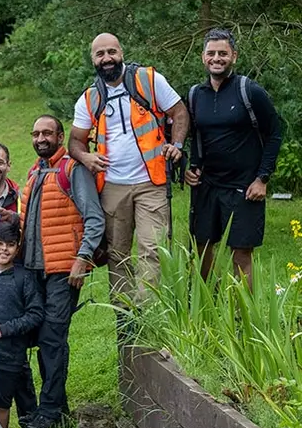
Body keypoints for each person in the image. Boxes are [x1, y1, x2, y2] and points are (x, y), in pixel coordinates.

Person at [68, 32, 188, 302]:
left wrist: (177, 146)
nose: (107, 58)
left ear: (121, 52)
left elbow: (179, 112)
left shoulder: (148, 80)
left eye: (112, 52)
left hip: (152, 183)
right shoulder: (89, 98)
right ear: (93, 59)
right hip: (112, 186)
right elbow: (75, 141)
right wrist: (85, 158)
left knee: (152, 250)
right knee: (117, 254)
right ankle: (128, 323)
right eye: (100, 54)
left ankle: (149, 314)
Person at [20, 115, 105, 428]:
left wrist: (82, 258)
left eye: (47, 133)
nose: (41, 138)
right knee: (43, 341)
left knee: (52, 339)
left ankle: (50, 411)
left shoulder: (73, 169)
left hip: (63, 272)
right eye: (36, 133)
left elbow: (94, 218)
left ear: (59, 136)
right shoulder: (35, 172)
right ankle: (59, 410)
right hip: (33, 271)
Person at [185, 28, 283, 284]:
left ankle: (244, 319)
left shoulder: (248, 91)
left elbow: (275, 132)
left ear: (234, 57)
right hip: (207, 185)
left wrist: (262, 178)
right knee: (203, 248)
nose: (216, 58)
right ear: (202, 57)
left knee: (241, 254)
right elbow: (189, 135)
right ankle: (208, 308)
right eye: (211, 53)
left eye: (223, 53)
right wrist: (190, 166)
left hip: (244, 185)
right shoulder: (195, 95)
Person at [0, 218, 44, 428]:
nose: (4, 249)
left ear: (17, 248)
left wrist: (4, 330)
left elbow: (36, 314)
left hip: (9, 355)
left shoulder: (24, 278)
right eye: (0, 243)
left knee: (1, 404)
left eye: (10, 245)